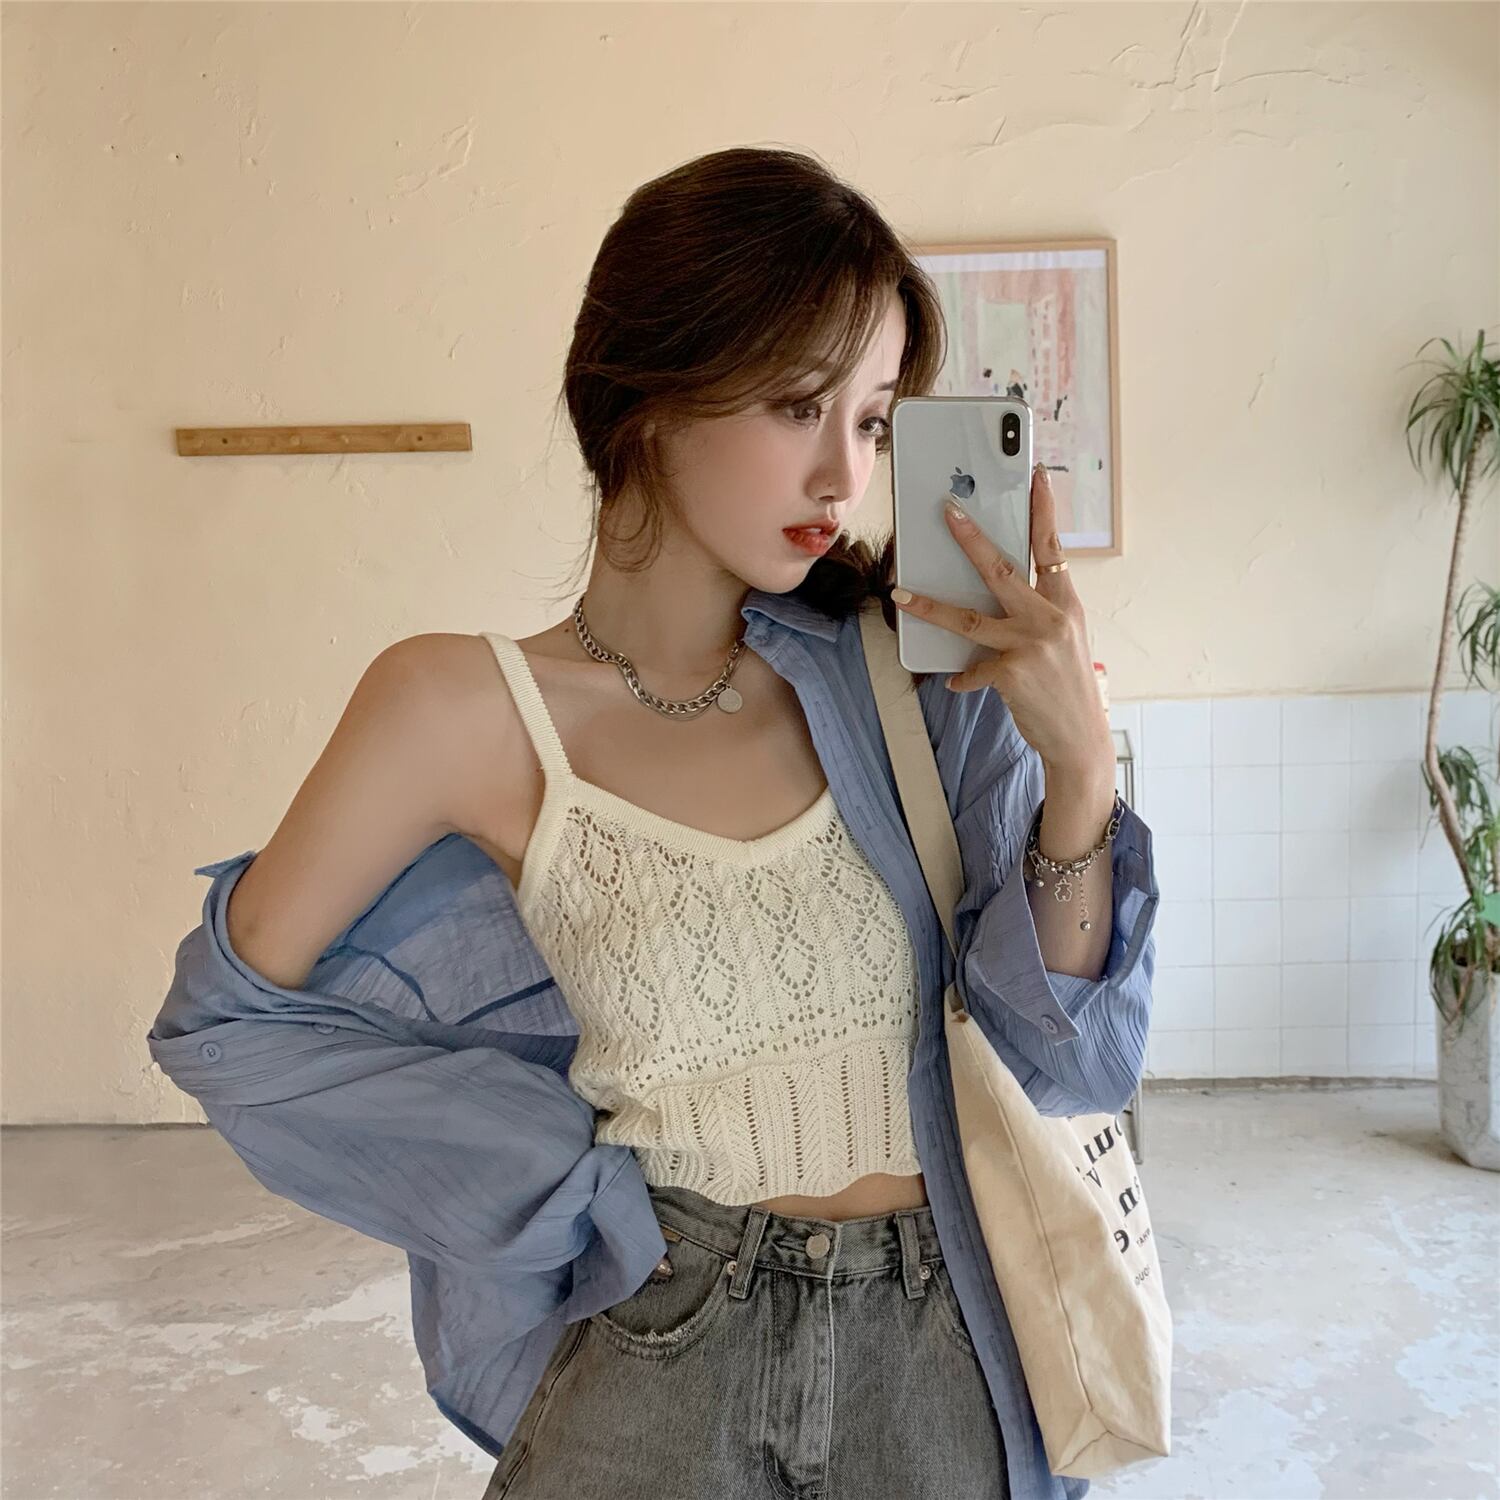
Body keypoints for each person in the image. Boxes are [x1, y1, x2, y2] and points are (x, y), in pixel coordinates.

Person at [151, 145, 1157, 1500]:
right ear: (653, 394)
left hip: (942, 1353)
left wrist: (1079, 777)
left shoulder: (920, 677)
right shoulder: (460, 709)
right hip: (668, 1337)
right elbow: (227, 1025)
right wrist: (558, 1186)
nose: (844, 475)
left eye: (872, 422)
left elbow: (1067, 1060)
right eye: (799, 404)